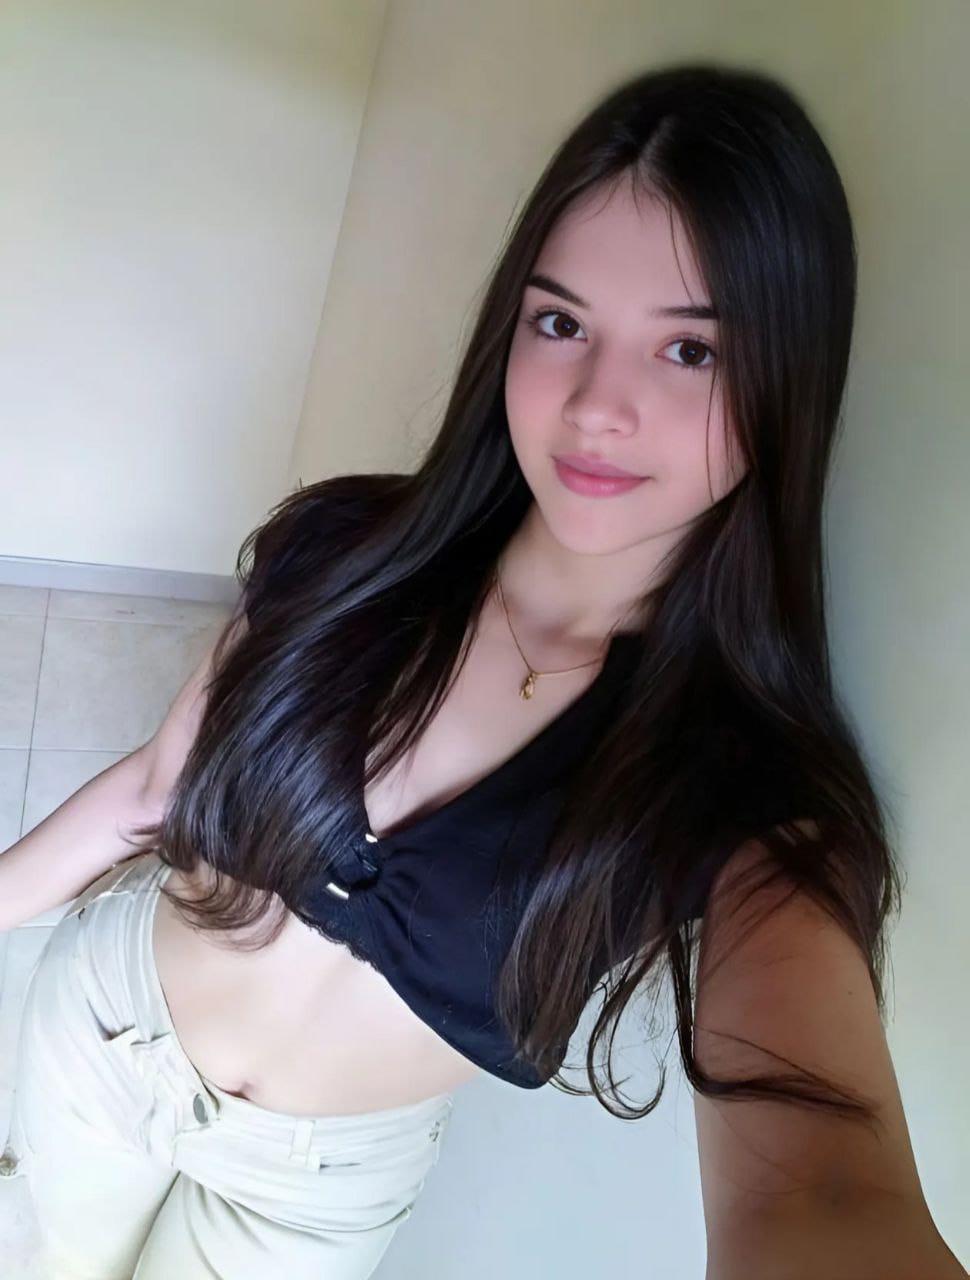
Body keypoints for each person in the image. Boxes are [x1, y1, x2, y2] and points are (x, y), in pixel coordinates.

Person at [0, 60, 963, 1280]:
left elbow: (820, 1186)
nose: (596, 407)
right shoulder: (343, 548)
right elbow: (156, 787)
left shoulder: (739, 787)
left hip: (314, 1192)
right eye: (560, 323)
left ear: (788, 381)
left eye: (689, 351)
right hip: (105, 1027)